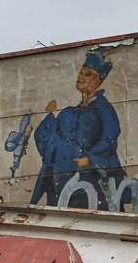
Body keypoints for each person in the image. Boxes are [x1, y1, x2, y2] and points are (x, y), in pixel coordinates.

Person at [31, 51, 125, 208]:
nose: (81, 77)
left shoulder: (103, 108)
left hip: (90, 179)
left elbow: (110, 136)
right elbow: (48, 141)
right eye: (81, 73)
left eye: (87, 74)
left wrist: (91, 159)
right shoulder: (69, 112)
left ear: (98, 81)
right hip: (62, 180)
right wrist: (49, 115)